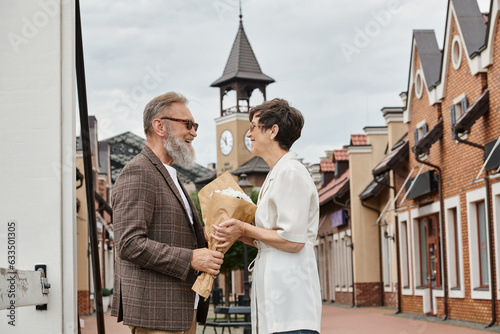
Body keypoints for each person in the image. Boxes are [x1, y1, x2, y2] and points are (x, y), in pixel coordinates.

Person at [111, 92, 224, 334]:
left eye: (195, 125)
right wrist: (191, 258)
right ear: (159, 126)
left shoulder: (169, 174)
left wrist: (207, 235)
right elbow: (129, 244)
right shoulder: (138, 172)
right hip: (157, 315)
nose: (194, 132)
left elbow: (171, 234)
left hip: (182, 310)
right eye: (188, 124)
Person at [212, 98, 322, 334]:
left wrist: (244, 229)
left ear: (273, 131)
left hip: (292, 308)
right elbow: (274, 237)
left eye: (253, 126)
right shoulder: (276, 174)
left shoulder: (291, 173)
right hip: (275, 305)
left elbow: (293, 241)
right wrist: (239, 236)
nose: (249, 133)